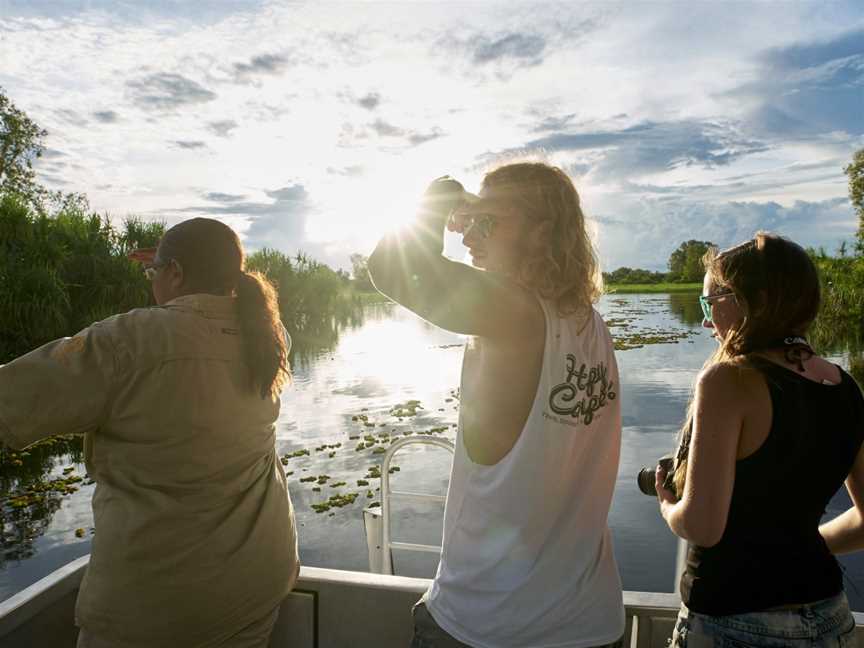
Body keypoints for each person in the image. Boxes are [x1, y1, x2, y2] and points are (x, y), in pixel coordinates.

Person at [0, 217, 299, 648]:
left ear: (175, 273)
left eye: (152, 271)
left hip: (160, 605)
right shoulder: (270, 337)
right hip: (257, 582)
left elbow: (10, 400)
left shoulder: (127, 342)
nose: (150, 280)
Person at [368, 162, 625, 648]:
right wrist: (480, 211)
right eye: (472, 222)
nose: (469, 238)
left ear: (542, 232)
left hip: (489, 625)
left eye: (488, 222)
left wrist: (439, 196)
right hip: (591, 623)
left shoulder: (514, 310)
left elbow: (390, 268)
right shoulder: (591, 325)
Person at [655, 232, 864, 647]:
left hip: (733, 623)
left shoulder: (729, 379)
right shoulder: (843, 385)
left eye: (711, 303)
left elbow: (702, 526)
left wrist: (667, 504)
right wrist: (800, 545)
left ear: (757, 300)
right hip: (830, 620)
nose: (705, 320)